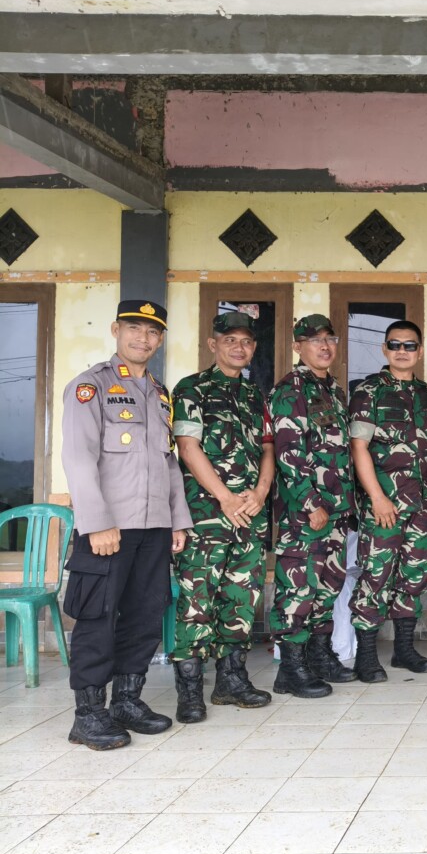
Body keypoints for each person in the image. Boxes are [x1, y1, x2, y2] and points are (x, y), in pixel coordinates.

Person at [60, 299, 191, 750]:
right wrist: (96, 523)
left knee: (145, 614)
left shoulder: (159, 393)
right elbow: (78, 457)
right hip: (109, 529)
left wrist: (177, 521)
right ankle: (88, 714)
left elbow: (168, 462)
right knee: (97, 618)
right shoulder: (91, 386)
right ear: (116, 330)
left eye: (152, 332)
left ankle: (126, 701)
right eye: (134, 328)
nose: (143, 338)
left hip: (154, 527)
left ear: (160, 339)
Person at [170, 311, 275, 723]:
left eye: (246, 341)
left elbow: (268, 448)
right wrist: (225, 497)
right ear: (213, 344)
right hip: (206, 516)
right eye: (229, 339)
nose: (238, 347)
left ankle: (231, 681)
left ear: (254, 348)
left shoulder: (254, 395)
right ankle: (190, 691)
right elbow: (187, 446)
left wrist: (261, 492)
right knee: (197, 602)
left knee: (241, 599)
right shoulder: (192, 388)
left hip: (249, 515)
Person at [269, 314, 356, 697]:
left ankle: (319, 657)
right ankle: (291, 669)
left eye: (330, 339)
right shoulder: (290, 390)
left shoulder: (334, 391)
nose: (324, 346)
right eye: (315, 340)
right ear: (297, 346)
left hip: (337, 511)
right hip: (306, 514)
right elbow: (288, 453)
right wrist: (310, 503)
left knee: (327, 586)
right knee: (298, 588)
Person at [348, 320, 427, 682]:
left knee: (413, 577)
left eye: (410, 345)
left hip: (421, 505)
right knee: (376, 576)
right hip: (383, 505)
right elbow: (358, 447)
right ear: (385, 349)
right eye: (395, 344)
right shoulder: (368, 391)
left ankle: (403, 650)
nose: (403, 351)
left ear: (420, 350)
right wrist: (376, 497)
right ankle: (367, 657)